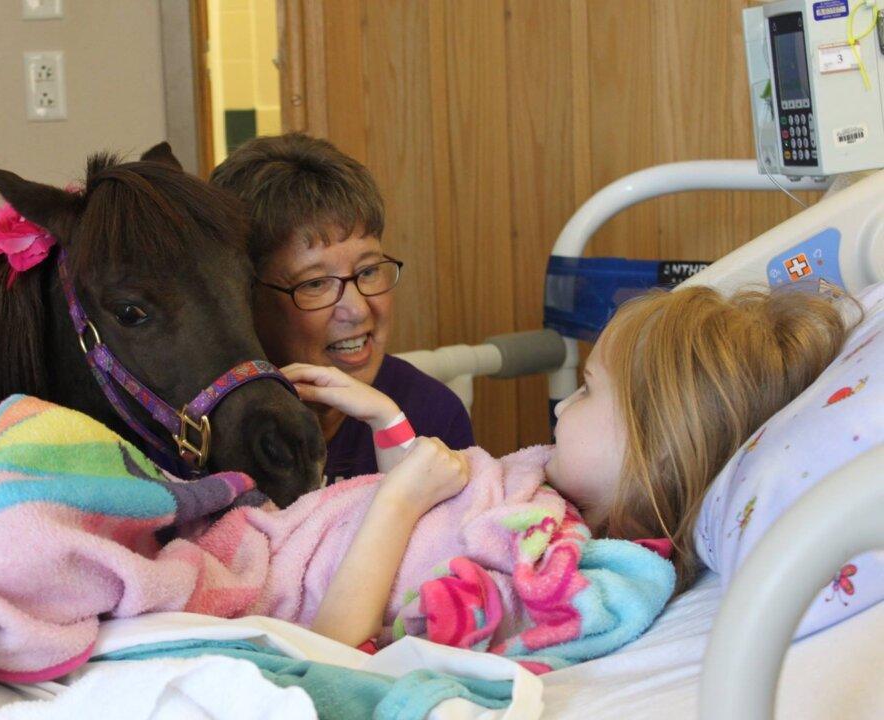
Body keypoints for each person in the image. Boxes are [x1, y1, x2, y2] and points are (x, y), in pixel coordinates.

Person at [305, 285, 850, 644]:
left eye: (588, 390)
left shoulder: (561, 576)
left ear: (655, 447)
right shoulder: (545, 488)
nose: (563, 405)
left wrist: (398, 502)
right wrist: (386, 422)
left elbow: (333, 649)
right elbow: (436, 517)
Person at [209, 133, 474, 483]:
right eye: (315, 283)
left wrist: (392, 431)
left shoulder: (429, 415)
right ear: (245, 299)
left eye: (368, 271)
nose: (359, 310)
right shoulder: (203, 431)